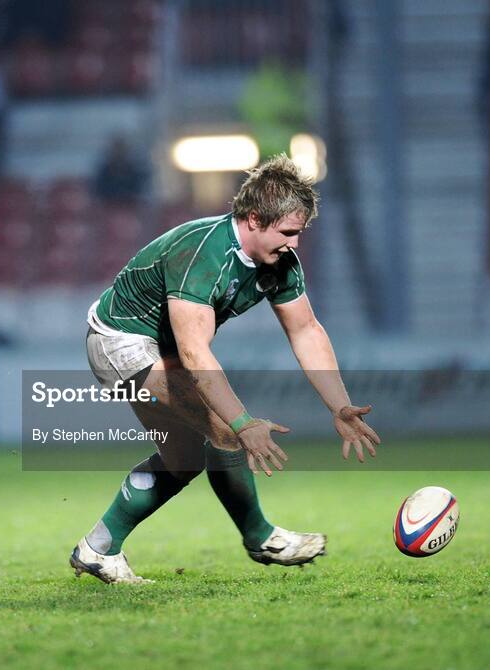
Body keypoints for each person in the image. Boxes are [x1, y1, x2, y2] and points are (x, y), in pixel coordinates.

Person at [70, 155, 380, 583]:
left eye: (300, 233)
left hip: (161, 350)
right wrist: (242, 422)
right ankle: (261, 538)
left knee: (182, 461)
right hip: (118, 342)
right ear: (254, 219)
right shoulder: (204, 252)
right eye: (288, 233)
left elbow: (307, 331)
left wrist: (339, 406)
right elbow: (196, 353)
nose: (295, 244)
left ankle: (97, 548)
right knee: (224, 427)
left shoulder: (281, 262)